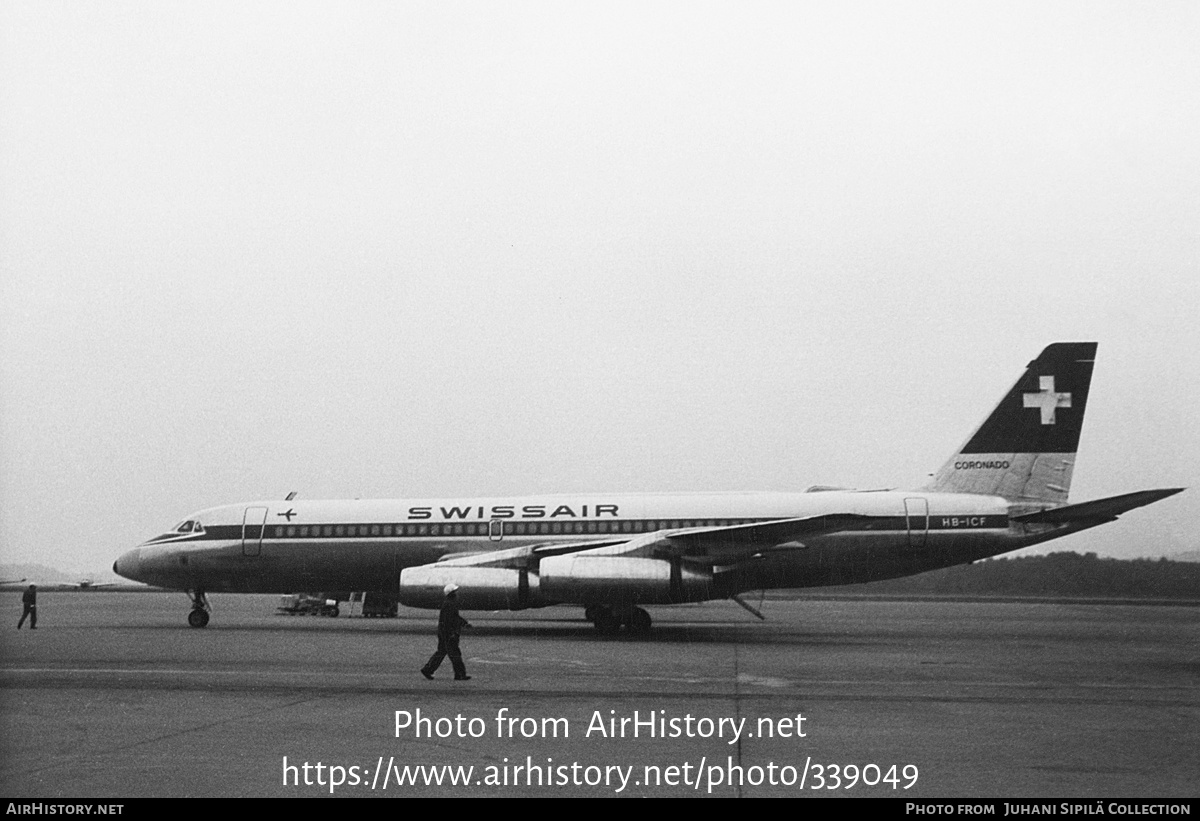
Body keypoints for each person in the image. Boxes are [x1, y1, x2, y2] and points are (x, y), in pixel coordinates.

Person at [421, 584, 471, 681]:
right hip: (448, 634)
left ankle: (427, 670)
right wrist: (452, 633)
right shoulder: (450, 604)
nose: (457, 594)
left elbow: (454, 618)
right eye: (455, 592)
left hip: (445, 633)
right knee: (455, 654)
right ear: (452, 594)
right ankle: (460, 674)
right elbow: (449, 620)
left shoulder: (449, 603)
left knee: (441, 653)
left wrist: (464, 623)